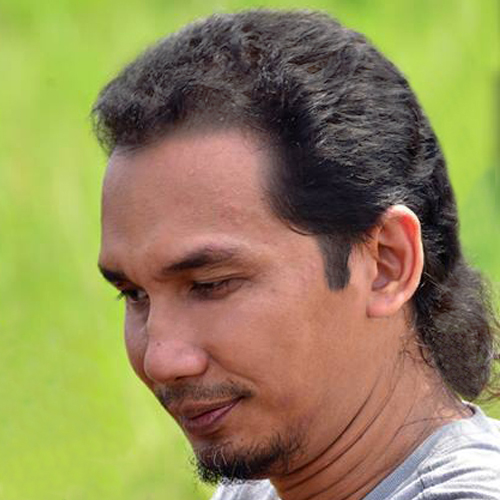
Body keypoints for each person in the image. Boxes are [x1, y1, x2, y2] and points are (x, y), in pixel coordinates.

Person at [93, 10, 500, 500]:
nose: (161, 361)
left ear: (386, 264)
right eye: (134, 294)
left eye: (211, 285)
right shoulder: (258, 486)